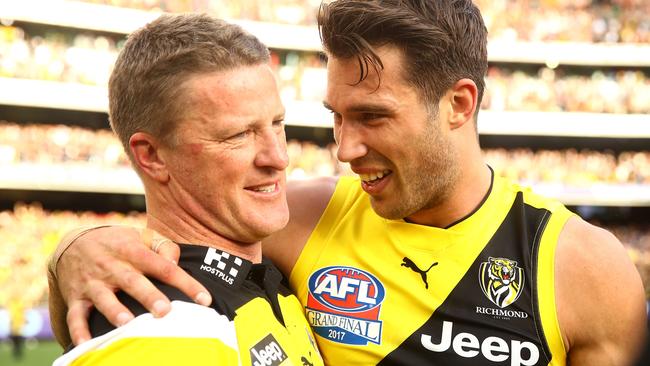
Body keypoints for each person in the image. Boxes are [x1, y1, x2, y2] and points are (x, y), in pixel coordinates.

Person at [48, 1, 647, 365]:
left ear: (459, 104)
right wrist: (73, 252)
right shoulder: (302, 219)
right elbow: (174, 252)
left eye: (372, 116)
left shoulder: (581, 269)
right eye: (336, 115)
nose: (343, 148)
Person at [50, 13, 323, 366]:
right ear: (152, 157)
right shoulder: (166, 325)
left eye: (277, 123)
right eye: (238, 135)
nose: (279, 157)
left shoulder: (271, 278)